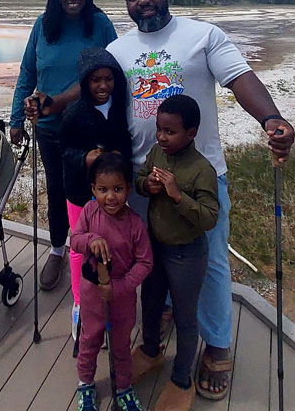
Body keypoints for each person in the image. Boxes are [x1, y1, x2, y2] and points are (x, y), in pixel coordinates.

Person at [106, 0, 295, 400]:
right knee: (149, 258)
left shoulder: (203, 35)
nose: (142, 1)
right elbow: (97, 97)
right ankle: (156, 337)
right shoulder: (117, 50)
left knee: (208, 263)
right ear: (127, 5)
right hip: (142, 177)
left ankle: (217, 346)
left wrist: (272, 119)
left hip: (200, 175)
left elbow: (240, 79)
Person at [10, 0, 117, 291]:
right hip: (50, 128)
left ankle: (96, 252)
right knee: (56, 190)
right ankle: (58, 249)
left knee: (95, 192)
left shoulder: (100, 25)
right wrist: (16, 119)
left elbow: (113, 71)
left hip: (92, 126)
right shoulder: (43, 26)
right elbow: (28, 72)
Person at [131, 95, 219, 411]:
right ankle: (151, 351)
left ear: (191, 134)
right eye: (159, 129)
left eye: (170, 132)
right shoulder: (157, 153)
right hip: (155, 246)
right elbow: (140, 179)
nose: (161, 137)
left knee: (184, 314)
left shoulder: (202, 169)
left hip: (186, 254)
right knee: (151, 301)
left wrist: (177, 195)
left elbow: (210, 217)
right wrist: (148, 187)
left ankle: (182, 378)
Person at [70, 152, 153, 411]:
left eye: (117, 189)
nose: (110, 196)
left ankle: (123, 387)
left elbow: (145, 263)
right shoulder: (89, 212)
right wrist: (91, 240)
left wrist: (119, 287)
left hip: (122, 295)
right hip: (92, 292)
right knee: (90, 338)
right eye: (103, 189)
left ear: (129, 188)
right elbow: (75, 240)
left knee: (120, 343)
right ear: (93, 189)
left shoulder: (135, 225)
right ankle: (86, 383)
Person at [60, 47, 132, 339]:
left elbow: (126, 141)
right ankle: (80, 301)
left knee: (112, 242)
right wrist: (84, 159)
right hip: (80, 191)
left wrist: (119, 155)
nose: (103, 86)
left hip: (112, 192)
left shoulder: (119, 106)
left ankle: (109, 292)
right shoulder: (74, 112)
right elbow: (63, 151)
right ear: (84, 82)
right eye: (95, 80)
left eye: (108, 79)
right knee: (80, 247)